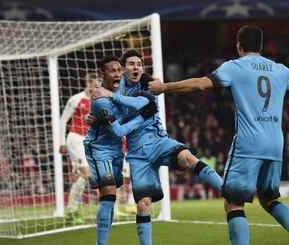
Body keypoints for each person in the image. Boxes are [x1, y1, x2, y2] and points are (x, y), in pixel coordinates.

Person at [148, 25, 289, 245]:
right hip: (275, 144)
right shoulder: (280, 69)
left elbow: (200, 85)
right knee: (269, 198)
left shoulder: (234, 67)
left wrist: (164, 87)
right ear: (261, 46)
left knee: (233, 203)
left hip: (249, 143)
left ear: (238, 46)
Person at [91, 49, 224, 245]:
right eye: (131, 64)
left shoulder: (148, 84)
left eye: (139, 64)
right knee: (144, 205)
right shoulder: (116, 88)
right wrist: (95, 116)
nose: (136, 67)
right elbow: (105, 106)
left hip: (158, 141)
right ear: (122, 69)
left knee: (187, 157)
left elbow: (137, 104)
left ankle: (226, 189)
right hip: (137, 154)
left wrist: (111, 95)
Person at [84, 55, 154, 245]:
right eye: (111, 71)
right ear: (102, 73)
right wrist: (143, 118)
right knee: (108, 196)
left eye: (118, 70)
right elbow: (119, 131)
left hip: (116, 150)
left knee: (111, 197)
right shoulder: (100, 100)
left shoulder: (121, 88)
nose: (116, 74)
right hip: (99, 149)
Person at [59, 73, 99, 224]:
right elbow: (63, 120)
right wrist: (61, 142)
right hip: (75, 139)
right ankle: (72, 210)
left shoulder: (97, 102)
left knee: (81, 177)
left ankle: (70, 210)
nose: (95, 88)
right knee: (86, 174)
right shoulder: (76, 99)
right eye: (93, 85)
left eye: (97, 85)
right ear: (87, 84)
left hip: (88, 142)